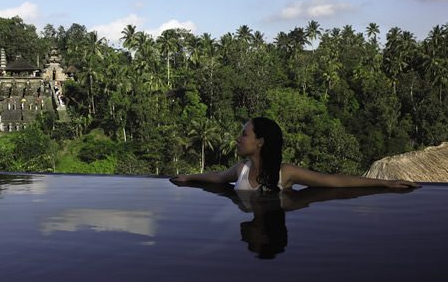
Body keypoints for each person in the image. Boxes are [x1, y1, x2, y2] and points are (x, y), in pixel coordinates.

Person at [170, 117, 420, 191]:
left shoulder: (285, 173)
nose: (238, 138)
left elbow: (332, 180)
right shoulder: (241, 169)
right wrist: (189, 177)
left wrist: (386, 183)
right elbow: (217, 177)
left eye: (244, 134)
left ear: (260, 142)